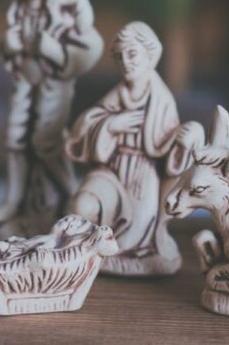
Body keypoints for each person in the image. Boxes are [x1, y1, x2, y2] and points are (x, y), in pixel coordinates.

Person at [0, 0, 103, 237]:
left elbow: (85, 48)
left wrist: (51, 49)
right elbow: (12, 49)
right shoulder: (20, 7)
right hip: (25, 78)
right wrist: (9, 45)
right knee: (15, 137)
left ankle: (70, 193)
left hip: (53, 81)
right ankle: (13, 200)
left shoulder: (63, 12)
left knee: (46, 140)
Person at [66, 22, 201, 275]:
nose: (125, 62)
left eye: (132, 54)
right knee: (82, 205)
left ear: (149, 55)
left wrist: (187, 139)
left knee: (138, 228)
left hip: (143, 176)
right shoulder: (116, 96)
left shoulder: (161, 101)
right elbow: (87, 125)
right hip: (109, 172)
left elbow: (173, 157)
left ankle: (126, 254)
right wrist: (111, 125)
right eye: (119, 56)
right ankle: (88, 250)